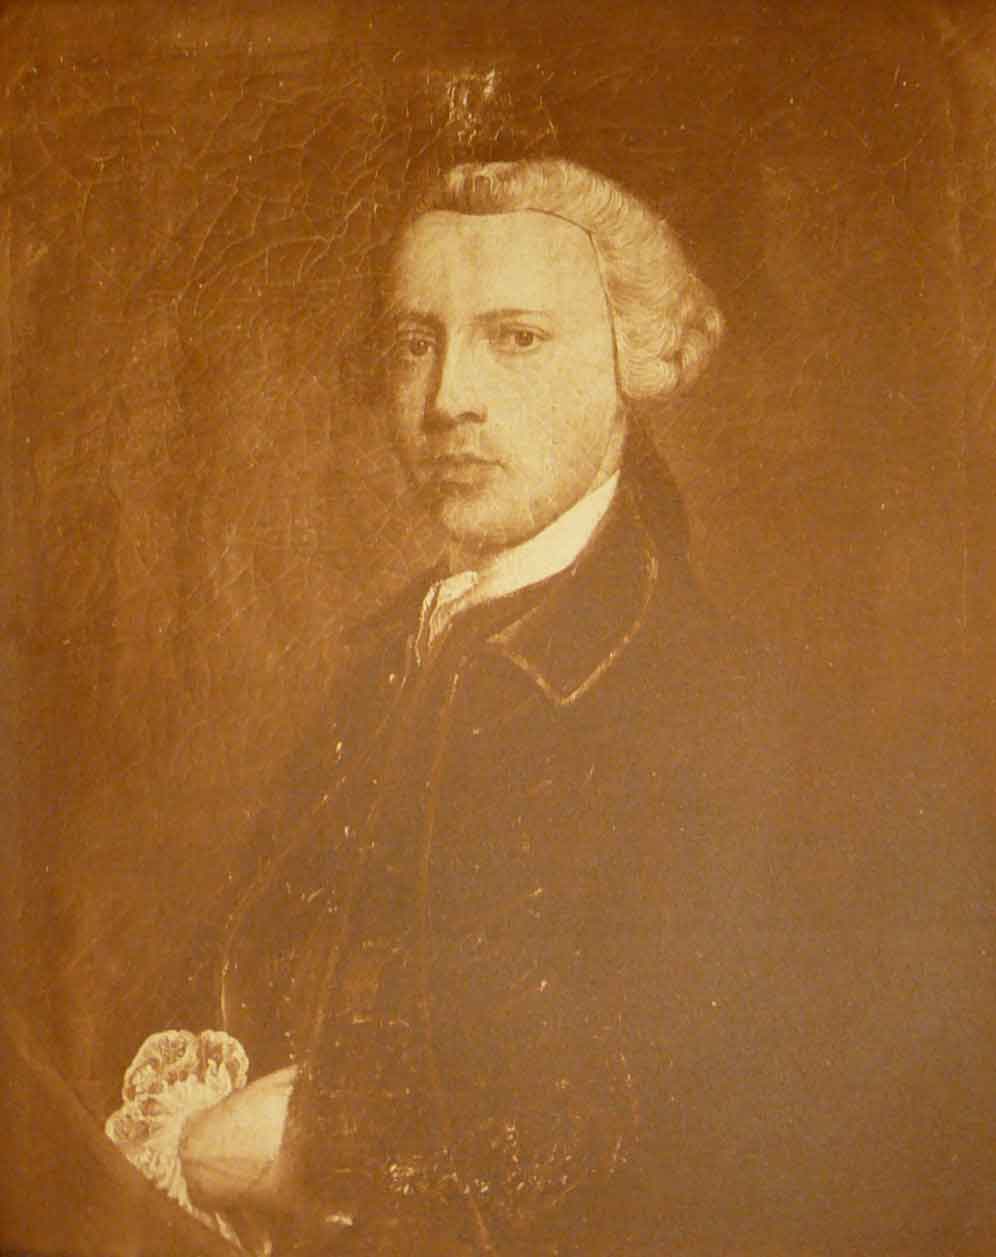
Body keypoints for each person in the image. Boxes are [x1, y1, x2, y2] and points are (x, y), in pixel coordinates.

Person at [108, 158, 996, 1256]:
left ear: (634, 361)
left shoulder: (720, 709)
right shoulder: (388, 665)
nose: (449, 398)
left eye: (517, 338)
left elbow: (659, 1113)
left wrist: (316, 1142)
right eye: (415, 342)